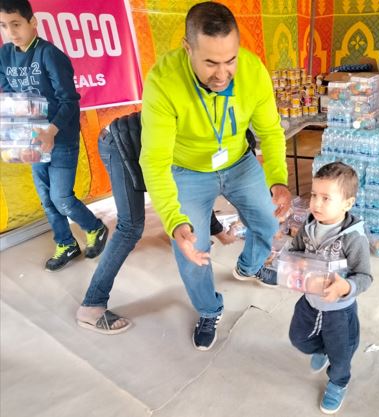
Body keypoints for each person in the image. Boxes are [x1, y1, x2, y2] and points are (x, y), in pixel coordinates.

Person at [139, 2, 292, 351]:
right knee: (192, 249)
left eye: (230, 60)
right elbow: (154, 160)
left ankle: (249, 267)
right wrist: (174, 221)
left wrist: (279, 180)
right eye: (210, 63)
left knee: (269, 221)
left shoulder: (252, 70)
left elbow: (271, 132)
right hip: (187, 170)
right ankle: (209, 309)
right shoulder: (163, 81)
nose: (223, 74)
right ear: (187, 47)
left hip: (238, 162)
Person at [75, 112, 244, 334]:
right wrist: (220, 232)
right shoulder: (202, 134)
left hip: (141, 141)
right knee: (130, 226)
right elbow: (194, 193)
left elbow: (199, 190)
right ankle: (91, 305)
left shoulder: (216, 132)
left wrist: (218, 231)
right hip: (119, 142)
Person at [0, 0, 107, 271]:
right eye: (3, 26)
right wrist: (16, 129)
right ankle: (66, 243)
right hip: (33, 139)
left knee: (61, 198)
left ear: (32, 22)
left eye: (16, 24)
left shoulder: (50, 55)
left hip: (61, 138)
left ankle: (94, 227)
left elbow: (70, 101)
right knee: (47, 199)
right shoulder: (4, 55)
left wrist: (51, 130)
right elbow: (8, 95)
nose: (10, 32)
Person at [286, 162, 372, 414]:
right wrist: (290, 260)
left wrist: (346, 286)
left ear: (347, 203)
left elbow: (365, 276)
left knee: (341, 354)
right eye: (314, 195)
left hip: (339, 311)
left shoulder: (354, 238)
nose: (316, 203)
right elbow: (294, 249)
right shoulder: (308, 226)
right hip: (310, 302)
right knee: (298, 339)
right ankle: (321, 349)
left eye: (326, 198)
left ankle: (338, 382)